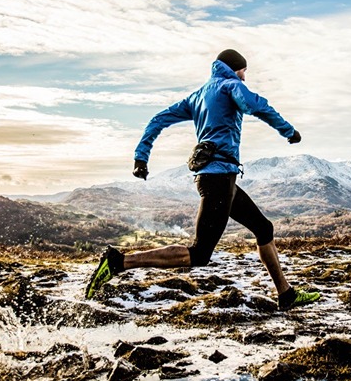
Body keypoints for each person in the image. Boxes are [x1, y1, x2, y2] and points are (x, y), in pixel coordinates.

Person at [85, 49, 321, 310]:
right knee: (199, 253)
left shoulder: (197, 96)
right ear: (236, 68)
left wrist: (141, 157)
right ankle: (119, 262)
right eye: (243, 71)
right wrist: (289, 131)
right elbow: (256, 105)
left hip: (219, 178)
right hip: (218, 180)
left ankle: (286, 294)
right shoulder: (231, 86)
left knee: (264, 229)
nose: (244, 77)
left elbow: (158, 120)